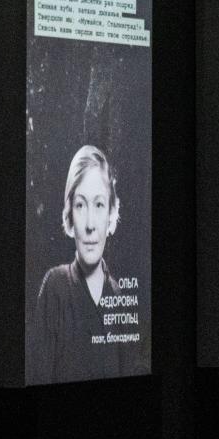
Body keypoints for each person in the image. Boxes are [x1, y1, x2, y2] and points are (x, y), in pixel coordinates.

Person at [31, 145, 143, 383]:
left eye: (99, 204)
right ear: (69, 216)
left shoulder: (119, 295)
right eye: (81, 205)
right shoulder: (54, 287)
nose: (90, 224)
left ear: (111, 215)